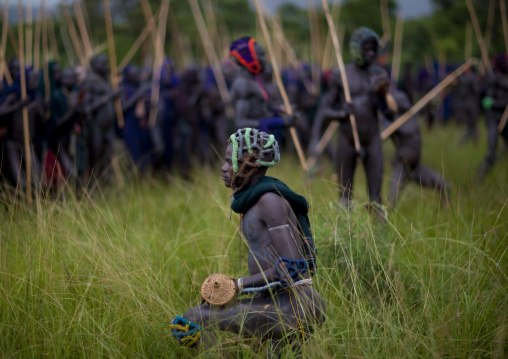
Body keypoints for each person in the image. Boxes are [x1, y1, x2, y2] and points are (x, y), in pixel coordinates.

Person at [170, 128, 325, 356]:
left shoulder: (269, 201)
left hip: (296, 307)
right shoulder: (254, 201)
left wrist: (237, 285)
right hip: (280, 303)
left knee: (194, 318)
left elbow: (293, 268)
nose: (223, 168)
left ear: (249, 164)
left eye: (228, 161)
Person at [316, 27, 395, 212]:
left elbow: (390, 115)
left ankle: (380, 237)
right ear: (356, 49)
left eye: (374, 49)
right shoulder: (341, 75)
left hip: (373, 138)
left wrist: (382, 98)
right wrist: (341, 112)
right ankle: (344, 235)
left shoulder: (379, 74)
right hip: (347, 139)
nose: (371, 53)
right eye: (366, 49)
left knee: (375, 194)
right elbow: (325, 110)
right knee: (345, 194)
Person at [387, 90, 450, 207]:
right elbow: (383, 133)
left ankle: (447, 214)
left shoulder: (413, 114)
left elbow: (429, 123)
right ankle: (381, 223)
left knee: (444, 186)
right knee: (391, 202)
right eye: (401, 101)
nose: (405, 102)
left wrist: (431, 107)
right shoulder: (392, 120)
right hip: (402, 167)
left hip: (416, 167)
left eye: (405, 99)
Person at [229, 37, 296, 144]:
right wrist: (279, 122)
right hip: (249, 148)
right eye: (261, 55)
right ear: (250, 58)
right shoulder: (243, 84)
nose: (265, 59)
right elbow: (240, 123)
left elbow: (257, 114)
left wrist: (276, 113)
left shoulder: (253, 81)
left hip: (258, 144)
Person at [477, 54, 508, 181]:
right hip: (493, 119)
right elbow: (487, 101)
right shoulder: (494, 80)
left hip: (505, 118)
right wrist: (493, 103)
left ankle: (500, 162)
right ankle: (479, 178)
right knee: (491, 151)